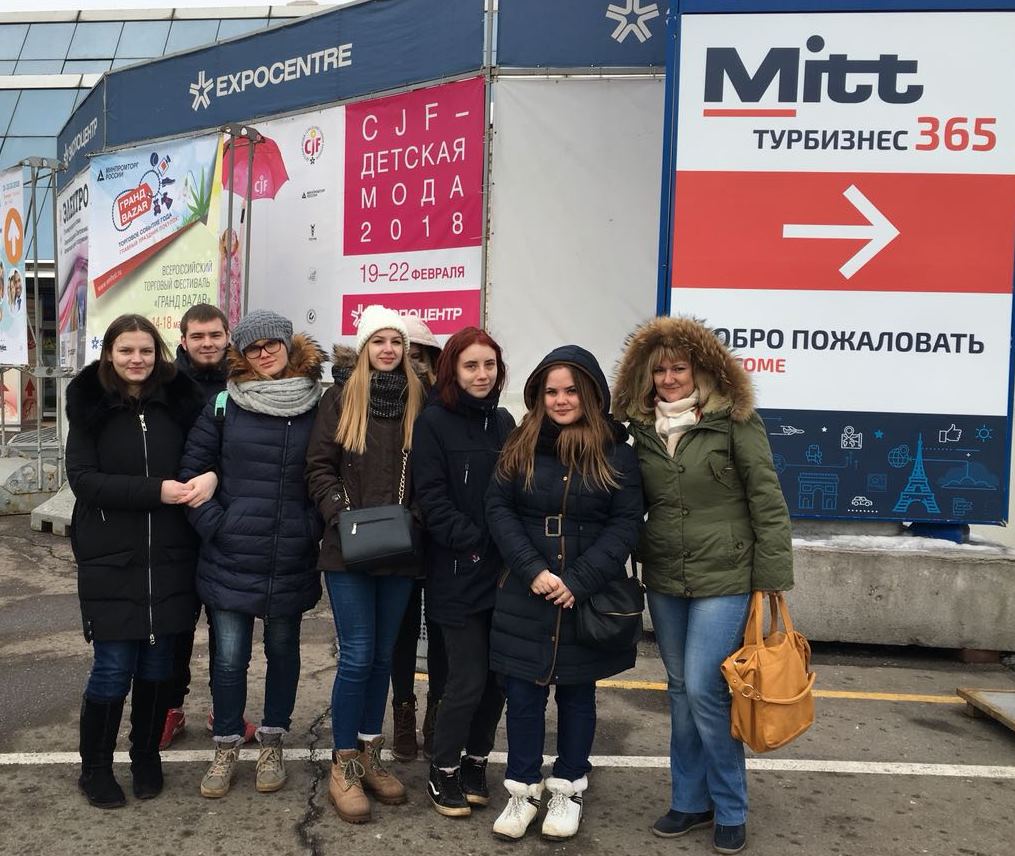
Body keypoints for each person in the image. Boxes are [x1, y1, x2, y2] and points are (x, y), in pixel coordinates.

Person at [612, 316, 793, 856]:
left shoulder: (733, 420)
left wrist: (772, 577)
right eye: (659, 371)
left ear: (701, 370)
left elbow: (767, 498)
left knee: (703, 687)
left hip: (726, 574)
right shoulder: (640, 430)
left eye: (679, 368)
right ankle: (690, 800)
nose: (669, 379)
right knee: (679, 689)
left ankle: (731, 806)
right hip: (666, 574)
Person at [486, 345, 643, 841]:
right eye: (551, 391)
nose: (560, 400)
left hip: (584, 596)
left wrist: (579, 580)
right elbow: (498, 508)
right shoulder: (519, 444)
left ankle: (568, 789)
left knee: (577, 696)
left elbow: (625, 524)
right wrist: (531, 569)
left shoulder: (617, 452)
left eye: (571, 390)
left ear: (591, 393)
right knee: (523, 696)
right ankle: (522, 791)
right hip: (526, 592)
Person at [178, 309, 325, 798]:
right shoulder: (225, 403)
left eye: (271, 344)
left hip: (290, 554)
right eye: (252, 348)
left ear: (288, 345)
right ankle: (225, 746)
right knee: (229, 659)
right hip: (230, 554)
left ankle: (273, 741)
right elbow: (192, 471)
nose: (264, 354)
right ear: (240, 354)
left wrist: (309, 527)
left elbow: (330, 471)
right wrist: (216, 526)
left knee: (283, 653)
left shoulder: (317, 403)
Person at [66, 314, 209, 808]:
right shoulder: (90, 405)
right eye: (126, 350)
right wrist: (157, 491)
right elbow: (84, 479)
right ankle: (95, 769)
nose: (136, 359)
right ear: (109, 353)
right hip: (112, 557)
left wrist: (208, 478)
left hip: (170, 555)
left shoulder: (181, 402)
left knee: (158, 665)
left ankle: (146, 756)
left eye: (145, 350)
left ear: (159, 352)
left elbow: (205, 457)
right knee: (112, 667)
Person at [305, 305, 425, 824]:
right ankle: (345, 763)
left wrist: (414, 520)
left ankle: (371, 753)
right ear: (364, 348)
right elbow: (318, 467)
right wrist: (340, 513)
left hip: (401, 547)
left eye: (396, 342)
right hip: (347, 548)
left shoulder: (421, 400)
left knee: (381, 657)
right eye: (378, 341)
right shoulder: (339, 398)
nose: (388, 350)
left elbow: (430, 472)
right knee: (356, 656)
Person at [412, 327, 515, 816]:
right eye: (471, 365)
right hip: (456, 572)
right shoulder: (433, 422)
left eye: (489, 365)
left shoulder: (504, 422)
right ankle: (444, 767)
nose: (482, 374)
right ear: (453, 370)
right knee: (467, 679)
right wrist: (477, 542)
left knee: (497, 680)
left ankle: (476, 761)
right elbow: (431, 500)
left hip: (504, 576)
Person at [162, 303, 258, 750]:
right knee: (176, 626)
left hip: (230, 523)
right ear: (183, 340)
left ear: (227, 337)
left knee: (229, 630)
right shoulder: (165, 386)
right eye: (197, 336)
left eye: (215, 335)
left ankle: (226, 710)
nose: (207, 343)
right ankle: (170, 708)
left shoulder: (245, 383)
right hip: (174, 521)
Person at [388, 313, 448, 761]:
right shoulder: (381, 399)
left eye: (419, 354)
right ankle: (404, 712)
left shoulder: (445, 401)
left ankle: (437, 714)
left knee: (443, 630)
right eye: (406, 354)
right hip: (398, 530)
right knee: (402, 630)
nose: (412, 362)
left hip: (441, 533)